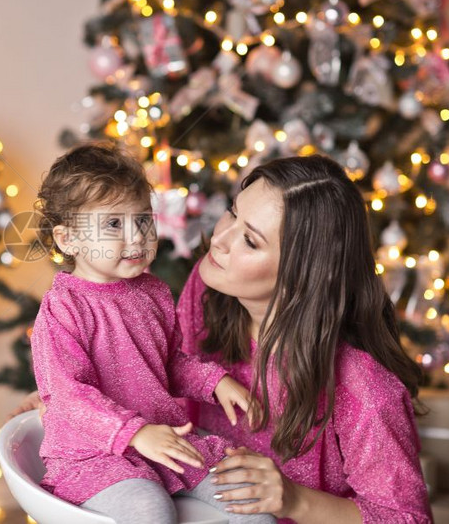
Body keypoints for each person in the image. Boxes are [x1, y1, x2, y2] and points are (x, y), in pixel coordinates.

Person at [12, 154, 432, 524]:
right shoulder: (208, 291)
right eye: (232, 213)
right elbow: (148, 371)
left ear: (301, 276)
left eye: (250, 240)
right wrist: (77, 401)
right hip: (142, 469)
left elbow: (407, 519)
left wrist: (297, 501)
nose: (220, 239)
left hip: (192, 479)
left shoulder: (365, 389)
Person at [30, 142, 275, 524]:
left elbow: (170, 362)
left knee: (250, 500)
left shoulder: (154, 291)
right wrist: (134, 433)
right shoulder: (64, 307)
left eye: (142, 220)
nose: (136, 237)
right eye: (113, 224)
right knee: (150, 511)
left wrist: (215, 382)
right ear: (67, 240)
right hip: (95, 453)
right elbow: (69, 395)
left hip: (161, 436)